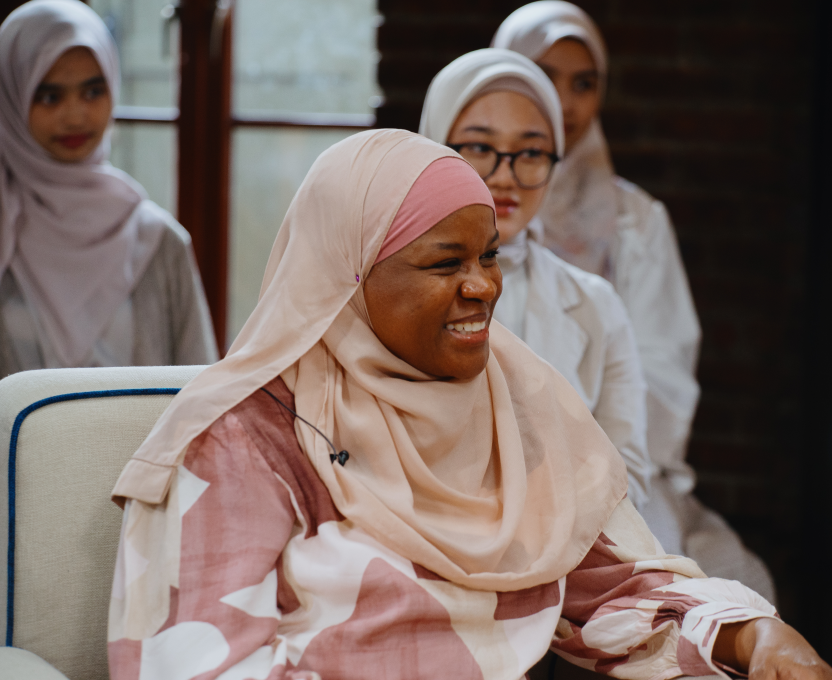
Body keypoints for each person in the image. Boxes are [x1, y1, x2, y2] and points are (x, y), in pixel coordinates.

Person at [107, 129, 829, 680]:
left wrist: (750, 635)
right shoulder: (247, 436)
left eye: (488, 257)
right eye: (445, 264)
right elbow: (194, 663)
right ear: (347, 279)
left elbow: (610, 586)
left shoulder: (511, 401)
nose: (483, 286)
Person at [493, 1, 775, 601]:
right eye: (544, 74)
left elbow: (660, 376)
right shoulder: (464, 213)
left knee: (695, 587)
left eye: (584, 83)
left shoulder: (636, 225)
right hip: (483, 462)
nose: (564, 102)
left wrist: (588, 462)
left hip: (611, 462)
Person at [419, 48, 652, 512]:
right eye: (481, 148)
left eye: (530, 152)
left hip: (568, 553)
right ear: (434, 147)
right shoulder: (390, 291)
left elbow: (628, 482)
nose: (506, 177)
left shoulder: (596, 306)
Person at [0, 0, 217, 377]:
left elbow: (203, 393)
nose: (75, 115)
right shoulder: (5, 227)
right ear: (11, 98)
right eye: (50, 96)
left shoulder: (156, 240)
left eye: (93, 91)